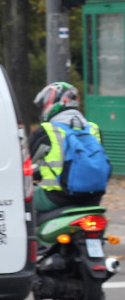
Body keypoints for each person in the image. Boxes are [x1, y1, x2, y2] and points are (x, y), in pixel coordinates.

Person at [29, 82, 109, 212]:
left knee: (20, 199)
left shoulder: (47, 130)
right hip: (94, 197)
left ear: (52, 102)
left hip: (58, 198)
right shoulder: (94, 129)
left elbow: (25, 164)